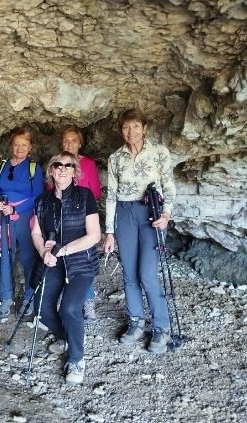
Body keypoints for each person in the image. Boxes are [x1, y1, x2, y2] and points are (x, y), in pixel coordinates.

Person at [103, 108, 176, 354]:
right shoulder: (115, 158)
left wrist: (166, 214)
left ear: (144, 128)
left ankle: (162, 327)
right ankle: (135, 322)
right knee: (129, 273)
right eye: (126, 127)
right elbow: (111, 196)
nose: (130, 131)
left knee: (147, 273)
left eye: (135, 126)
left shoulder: (159, 153)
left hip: (152, 214)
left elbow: (169, 186)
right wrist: (109, 231)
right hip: (125, 213)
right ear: (121, 131)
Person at [31, 152, 101, 384]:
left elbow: (94, 236)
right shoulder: (42, 200)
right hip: (52, 261)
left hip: (81, 263)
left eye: (68, 165)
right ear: (51, 170)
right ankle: (68, 336)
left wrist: (64, 250)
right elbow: (36, 233)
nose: (63, 169)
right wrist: (43, 252)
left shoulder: (85, 196)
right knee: (41, 307)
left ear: (74, 171)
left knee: (70, 309)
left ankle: (77, 359)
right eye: (58, 165)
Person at [0, 128, 44, 320]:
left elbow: (38, 196)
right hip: (4, 215)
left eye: (24, 145)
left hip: (25, 216)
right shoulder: (2, 166)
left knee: (28, 257)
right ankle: (6, 298)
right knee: (5, 256)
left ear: (30, 147)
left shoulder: (34, 168)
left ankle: (29, 298)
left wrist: (16, 209)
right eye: (16, 144)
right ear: (11, 146)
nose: (19, 148)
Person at [59, 125, 102, 321]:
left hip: (84, 217)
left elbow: (96, 192)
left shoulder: (88, 164)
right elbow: (50, 188)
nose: (70, 144)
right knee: (62, 257)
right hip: (62, 218)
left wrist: (81, 202)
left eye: (73, 140)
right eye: (66, 141)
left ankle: (88, 301)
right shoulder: (58, 163)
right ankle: (67, 301)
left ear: (80, 143)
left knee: (84, 259)